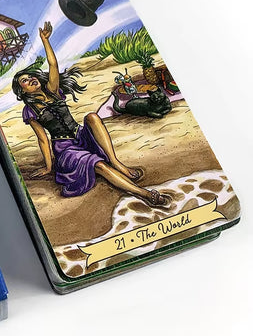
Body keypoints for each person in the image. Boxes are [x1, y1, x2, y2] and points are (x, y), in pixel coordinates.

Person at [11, 22, 170, 208]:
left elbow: (53, 64)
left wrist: (45, 40)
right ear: (22, 91)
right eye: (25, 81)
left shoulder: (52, 91)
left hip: (81, 135)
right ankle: (145, 194)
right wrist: (48, 166)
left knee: (92, 117)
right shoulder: (30, 110)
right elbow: (43, 139)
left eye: (31, 76)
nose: (31, 79)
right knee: (99, 166)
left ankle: (116, 163)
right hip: (66, 149)